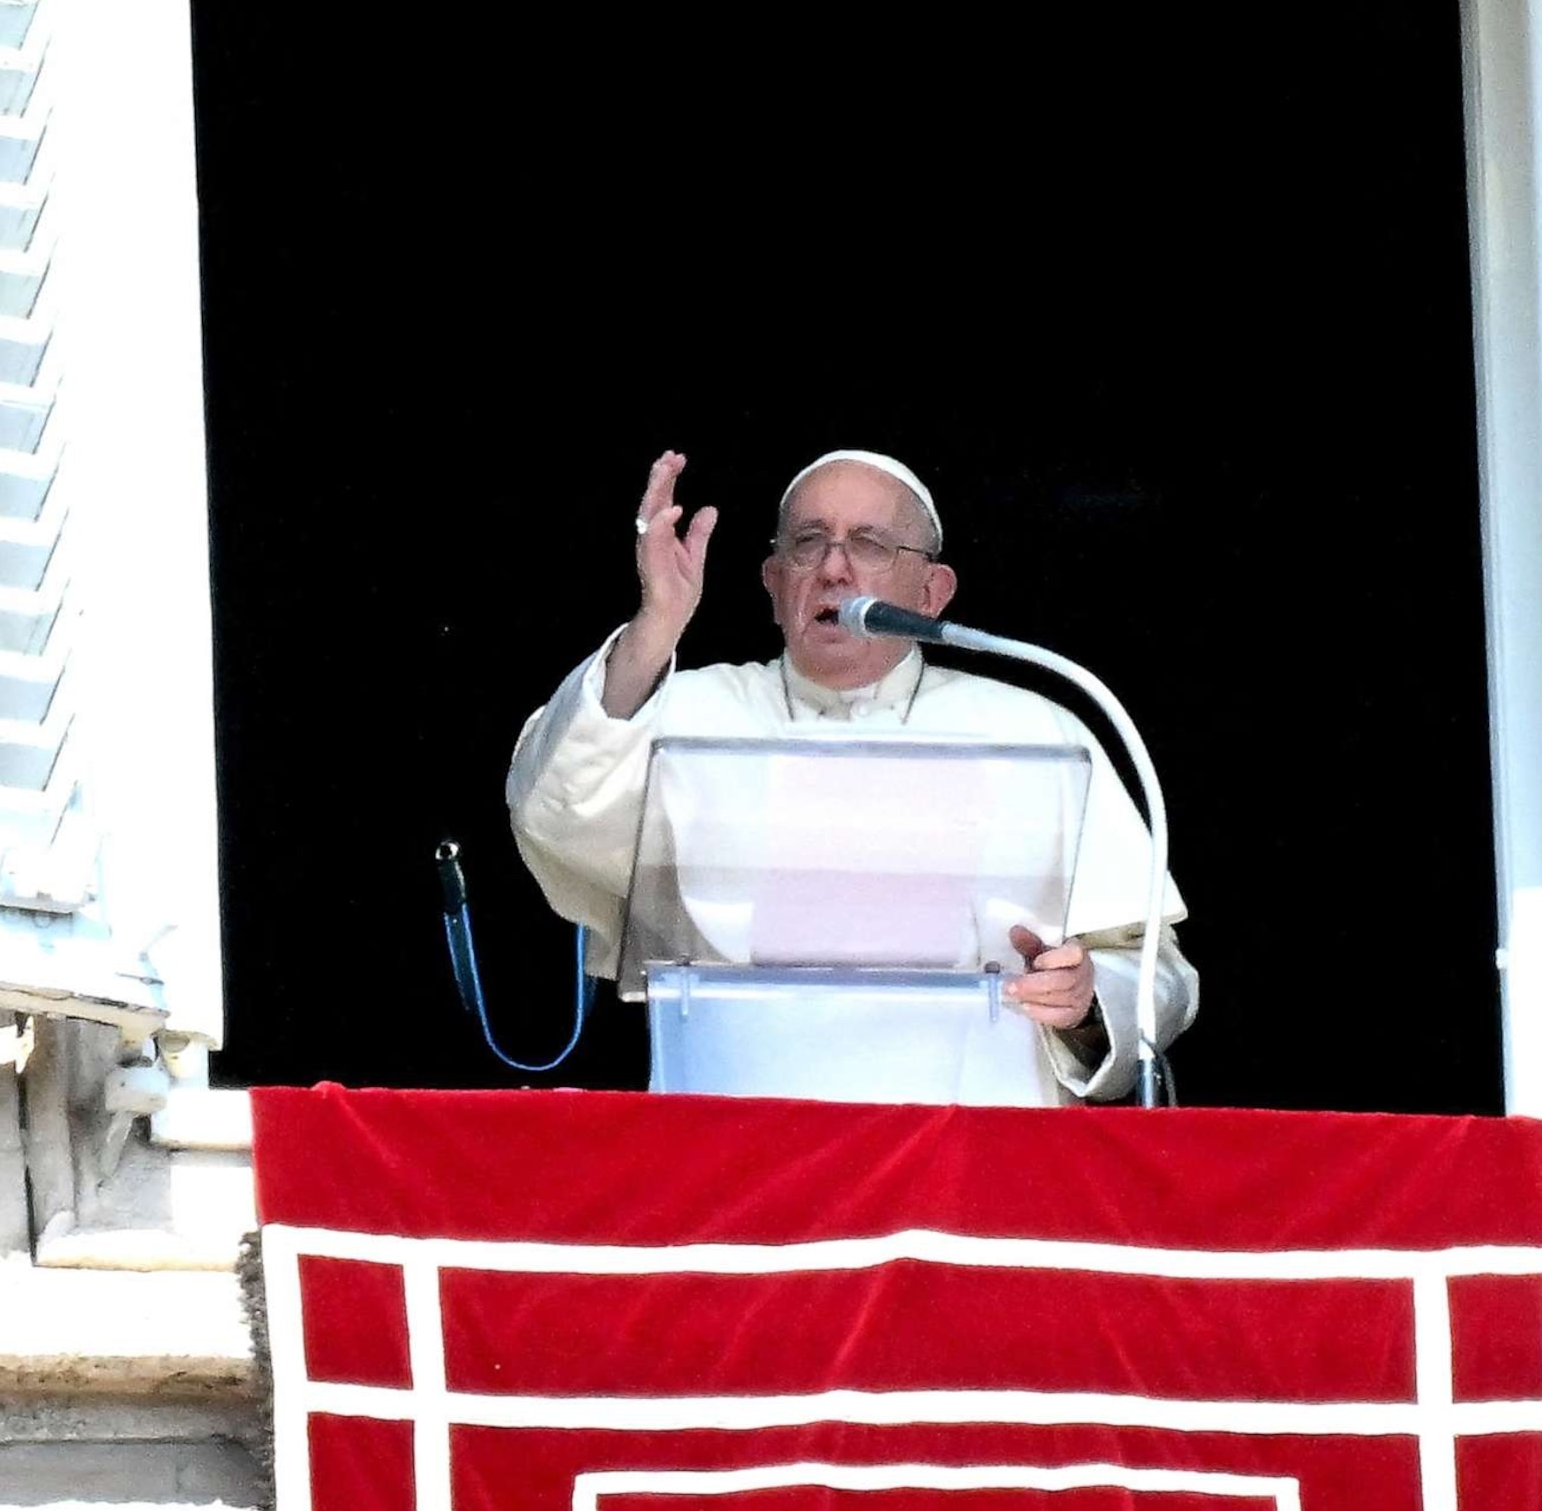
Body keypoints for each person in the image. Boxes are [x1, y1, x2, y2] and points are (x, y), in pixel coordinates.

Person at [506, 447, 1196, 1104]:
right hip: (736, 1145)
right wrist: (658, 624)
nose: (834, 568)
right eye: (808, 541)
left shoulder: (1036, 732)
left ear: (932, 590)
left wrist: (1085, 1000)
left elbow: (1158, 975)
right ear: (776, 584)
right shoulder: (683, 715)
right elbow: (553, 806)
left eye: (868, 543)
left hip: (973, 1160)